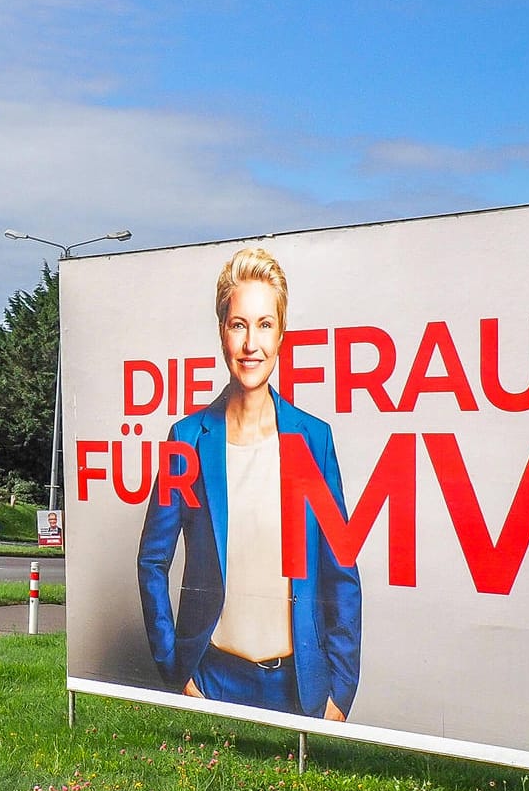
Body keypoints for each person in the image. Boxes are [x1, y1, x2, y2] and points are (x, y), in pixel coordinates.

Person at [136, 247, 362, 721]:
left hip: (300, 689)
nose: (250, 343)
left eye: (264, 325)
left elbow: (342, 574)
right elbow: (152, 560)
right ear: (222, 330)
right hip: (211, 681)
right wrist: (175, 671)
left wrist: (340, 692)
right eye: (239, 324)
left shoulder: (312, 439)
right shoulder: (188, 439)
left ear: (281, 334)